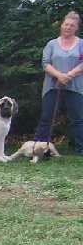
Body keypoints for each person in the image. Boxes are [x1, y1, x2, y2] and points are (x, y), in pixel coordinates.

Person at [32, 11, 83, 156]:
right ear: (61, 25)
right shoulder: (52, 44)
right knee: (47, 118)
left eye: (71, 25)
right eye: (66, 24)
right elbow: (45, 63)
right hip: (52, 87)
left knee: (78, 119)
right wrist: (59, 75)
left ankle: (81, 150)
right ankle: (39, 149)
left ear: (76, 27)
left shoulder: (81, 44)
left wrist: (69, 75)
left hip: (75, 87)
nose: (68, 27)